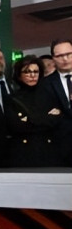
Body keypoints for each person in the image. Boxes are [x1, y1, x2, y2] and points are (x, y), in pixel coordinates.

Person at [5, 55, 60, 167]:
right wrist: (44, 118)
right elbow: (16, 126)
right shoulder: (12, 99)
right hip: (23, 154)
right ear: (19, 75)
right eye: (27, 72)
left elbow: (56, 121)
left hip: (48, 153)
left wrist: (30, 119)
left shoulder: (49, 95)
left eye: (36, 71)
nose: (32, 75)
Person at [41, 38, 72, 167]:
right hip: (61, 148)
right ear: (53, 58)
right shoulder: (45, 84)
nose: (65, 59)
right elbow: (46, 115)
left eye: (68, 54)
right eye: (59, 56)